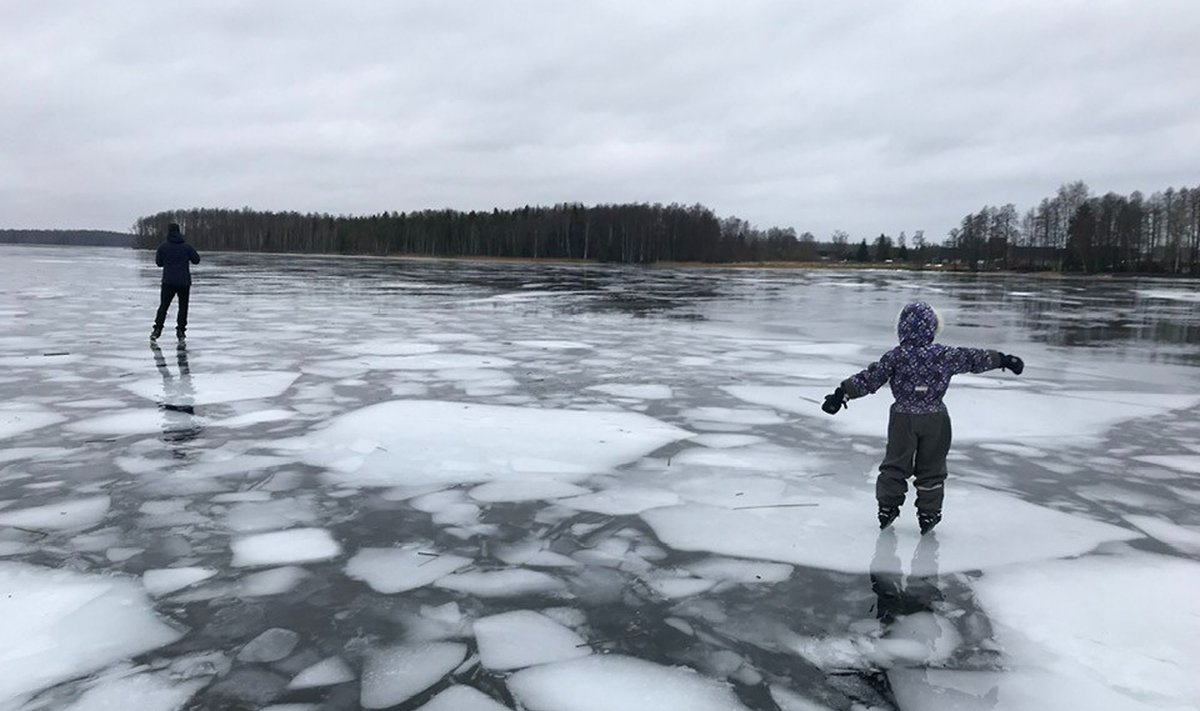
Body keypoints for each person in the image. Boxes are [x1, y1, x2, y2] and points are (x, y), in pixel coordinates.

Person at [821, 301, 1023, 534]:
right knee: (932, 468)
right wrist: (1004, 359)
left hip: (903, 419)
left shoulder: (896, 356)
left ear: (901, 328)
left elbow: (870, 378)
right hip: (935, 418)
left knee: (895, 465)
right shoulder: (945, 355)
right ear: (933, 327)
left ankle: (887, 507)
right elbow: (974, 358)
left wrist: (841, 394)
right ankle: (929, 513)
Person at [151, 223, 200, 342]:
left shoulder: (163, 247)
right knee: (183, 307)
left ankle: (157, 329)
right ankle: (181, 330)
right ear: (179, 232)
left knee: (164, 306)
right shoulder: (186, 247)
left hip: (168, 281)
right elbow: (196, 260)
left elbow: (159, 263)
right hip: (184, 282)